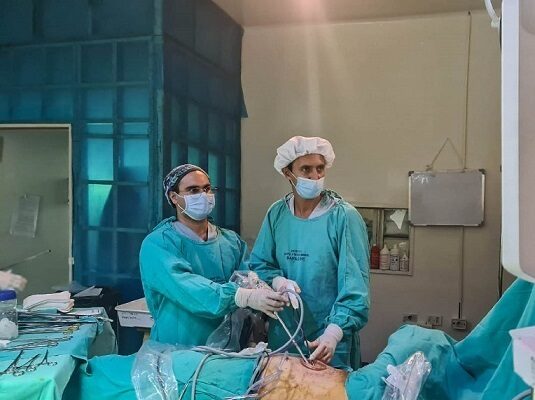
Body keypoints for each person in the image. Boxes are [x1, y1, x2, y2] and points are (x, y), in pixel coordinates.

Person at [250, 136, 370, 370]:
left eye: (320, 168)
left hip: (330, 340)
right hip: (284, 335)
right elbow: (260, 264)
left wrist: (334, 333)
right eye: (306, 169)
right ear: (287, 173)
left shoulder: (343, 217)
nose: (315, 176)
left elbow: (355, 285)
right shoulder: (277, 214)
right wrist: (277, 281)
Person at [139, 164, 287, 347]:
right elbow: (187, 288)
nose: (203, 195)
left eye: (207, 188)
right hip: (178, 349)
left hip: (228, 349)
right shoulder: (158, 244)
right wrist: (240, 296)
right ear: (173, 197)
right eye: (193, 190)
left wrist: (269, 286)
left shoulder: (230, 241)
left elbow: (248, 278)